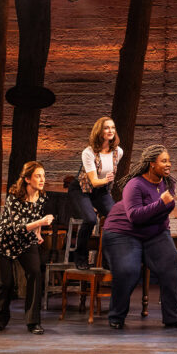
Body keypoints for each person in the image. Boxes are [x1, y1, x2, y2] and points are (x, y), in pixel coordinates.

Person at [102, 145, 177, 329]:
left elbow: (164, 212)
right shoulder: (135, 184)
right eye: (164, 161)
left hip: (153, 232)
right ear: (151, 164)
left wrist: (165, 233)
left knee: (170, 261)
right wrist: (161, 204)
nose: (168, 164)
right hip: (123, 232)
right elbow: (134, 216)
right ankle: (116, 316)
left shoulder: (166, 183)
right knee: (128, 270)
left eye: (169, 160)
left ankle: (173, 317)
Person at [0, 161, 54, 334]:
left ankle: (33, 322)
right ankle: (1, 318)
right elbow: (18, 226)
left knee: (34, 274)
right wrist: (41, 222)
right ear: (27, 179)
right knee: (5, 282)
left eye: (43, 176)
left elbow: (36, 216)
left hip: (25, 241)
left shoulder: (42, 196)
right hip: (3, 242)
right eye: (38, 176)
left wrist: (38, 233)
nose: (42, 179)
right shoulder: (14, 198)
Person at [68, 116, 122, 270]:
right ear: (99, 131)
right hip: (81, 189)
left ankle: (106, 259)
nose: (110, 131)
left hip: (101, 191)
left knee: (115, 219)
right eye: (106, 128)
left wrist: (106, 187)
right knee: (91, 219)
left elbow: (106, 181)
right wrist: (106, 180)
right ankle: (80, 257)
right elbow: (93, 181)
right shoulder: (89, 152)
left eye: (112, 127)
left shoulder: (118, 152)